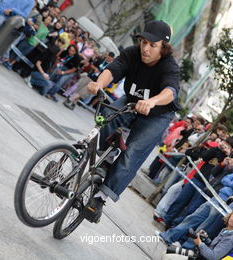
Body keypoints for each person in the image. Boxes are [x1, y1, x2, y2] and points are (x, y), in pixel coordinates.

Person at [82, 20, 181, 223]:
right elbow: (114, 68)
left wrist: (151, 102)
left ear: (163, 46)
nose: (145, 48)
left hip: (158, 113)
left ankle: (100, 198)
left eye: (152, 45)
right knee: (107, 118)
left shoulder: (169, 66)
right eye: (144, 42)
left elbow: (170, 91)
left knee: (133, 152)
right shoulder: (132, 53)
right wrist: (98, 84)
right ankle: (105, 161)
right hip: (131, 101)